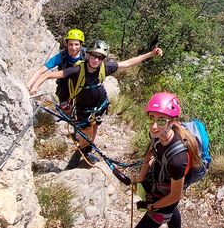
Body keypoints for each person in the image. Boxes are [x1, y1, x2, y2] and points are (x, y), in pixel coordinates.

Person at [29, 41, 163, 169]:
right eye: (94, 56)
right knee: (85, 133)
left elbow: (127, 63)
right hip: (83, 108)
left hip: (100, 106)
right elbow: (48, 75)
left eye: (100, 58)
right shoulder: (76, 70)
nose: (96, 60)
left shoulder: (105, 67)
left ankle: (87, 150)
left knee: (95, 126)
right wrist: (33, 90)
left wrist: (150, 54)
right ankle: (81, 151)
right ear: (88, 55)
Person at [121, 92, 201, 228]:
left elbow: (174, 197)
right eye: (152, 119)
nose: (154, 126)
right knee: (171, 210)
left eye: (161, 120)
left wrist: (152, 206)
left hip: (164, 199)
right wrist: (140, 178)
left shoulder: (177, 159)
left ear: (172, 121)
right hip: (161, 184)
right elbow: (151, 150)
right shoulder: (157, 134)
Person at [26, 28, 86, 104]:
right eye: (71, 44)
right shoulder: (62, 56)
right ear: (67, 44)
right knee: (60, 106)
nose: (73, 48)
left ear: (81, 44)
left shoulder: (86, 56)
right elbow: (41, 71)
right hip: (64, 86)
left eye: (76, 44)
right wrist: (29, 87)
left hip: (81, 86)